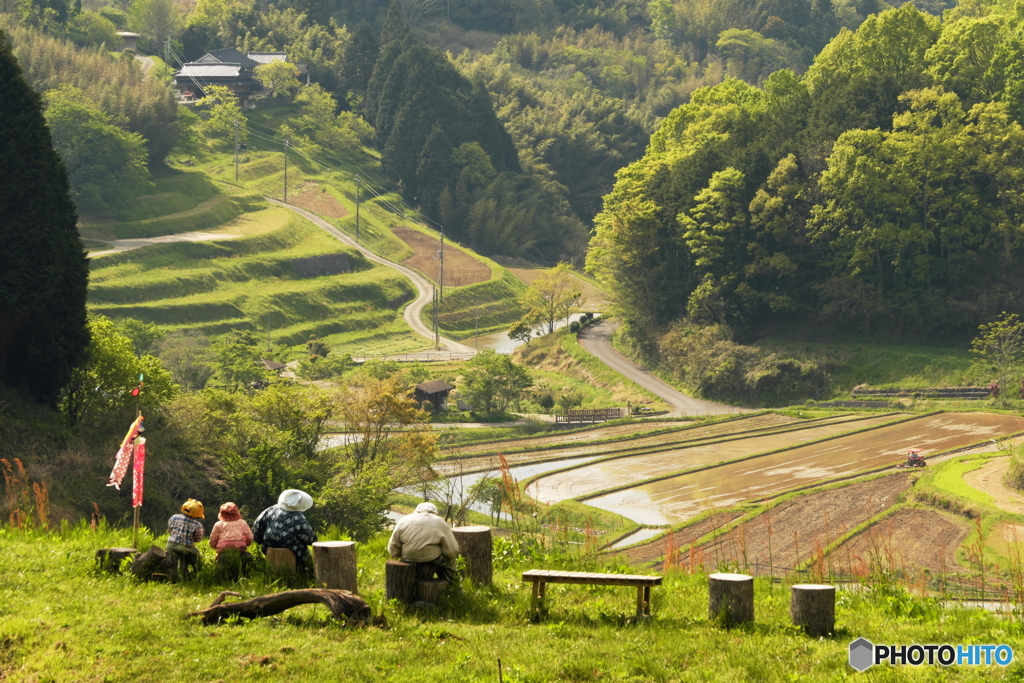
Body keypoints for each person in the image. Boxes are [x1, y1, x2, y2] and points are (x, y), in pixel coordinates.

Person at [387, 502, 460, 582]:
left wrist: (397, 554)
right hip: (432, 557)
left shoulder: (404, 520)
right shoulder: (440, 522)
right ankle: (452, 586)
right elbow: (453, 551)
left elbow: (394, 543)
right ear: (435, 513)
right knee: (448, 565)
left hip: (407, 556)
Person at [251, 489, 318, 574]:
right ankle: (306, 573)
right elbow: (309, 538)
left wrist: (259, 539)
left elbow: (257, 525)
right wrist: (314, 540)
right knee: (306, 554)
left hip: (268, 543)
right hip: (291, 547)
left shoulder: (271, 510)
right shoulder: (298, 517)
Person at [167, 499, 205, 573]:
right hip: (185, 547)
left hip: (171, 544)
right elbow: (198, 539)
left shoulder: (174, 517)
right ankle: (197, 572)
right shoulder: (197, 525)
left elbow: (170, 529)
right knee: (196, 556)